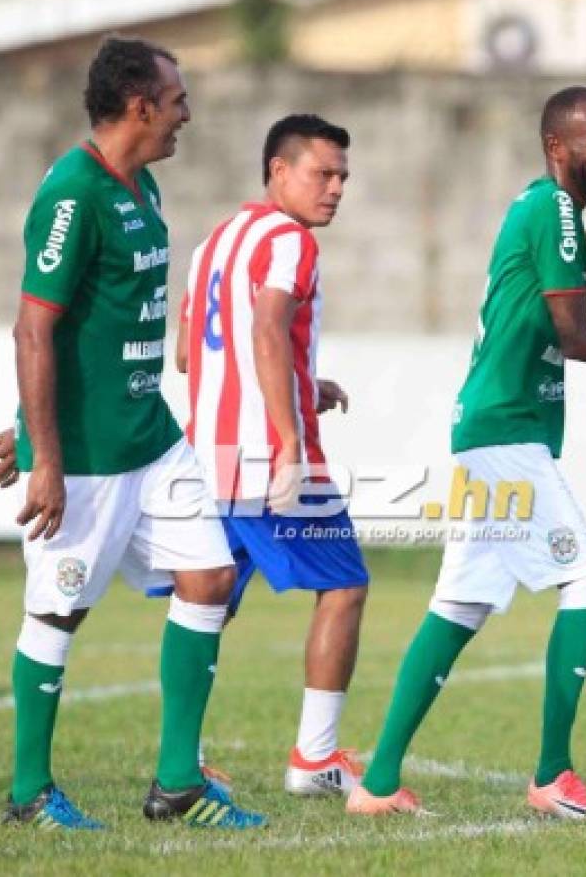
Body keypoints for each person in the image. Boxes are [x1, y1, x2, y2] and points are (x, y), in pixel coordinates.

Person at [346, 86, 586, 819]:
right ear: (557, 147)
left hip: (492, 430)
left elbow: (572, 287)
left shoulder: (550, 208)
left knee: (458, 606)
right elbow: (573, 333)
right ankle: (552, 773)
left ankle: (377, 783)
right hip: (505, 435)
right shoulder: (548, 208)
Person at [0, 36, 264, 830]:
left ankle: (178, 783)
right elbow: (33, 330)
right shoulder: (74, 194)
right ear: (140, 106)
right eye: (177, 100)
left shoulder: (142, 185)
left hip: (153, 438)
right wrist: (40, 452)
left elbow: (92, 325)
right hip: (84, 456)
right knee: (57, 613)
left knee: (210, 578)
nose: (187, 114)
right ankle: (28, 795)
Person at [175, 114, 368, 797]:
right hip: (265, 457)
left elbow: (186, 353)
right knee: (343, 587)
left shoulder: (213, 243)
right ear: (278, 171)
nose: (337, 187)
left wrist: (301, 383)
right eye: (323, 173)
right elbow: (263, 325)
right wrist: (287, 440)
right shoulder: (288, 242)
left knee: (205, 605)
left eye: (342, 174)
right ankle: (315, 759)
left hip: (209, 453)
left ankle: (182, 760)